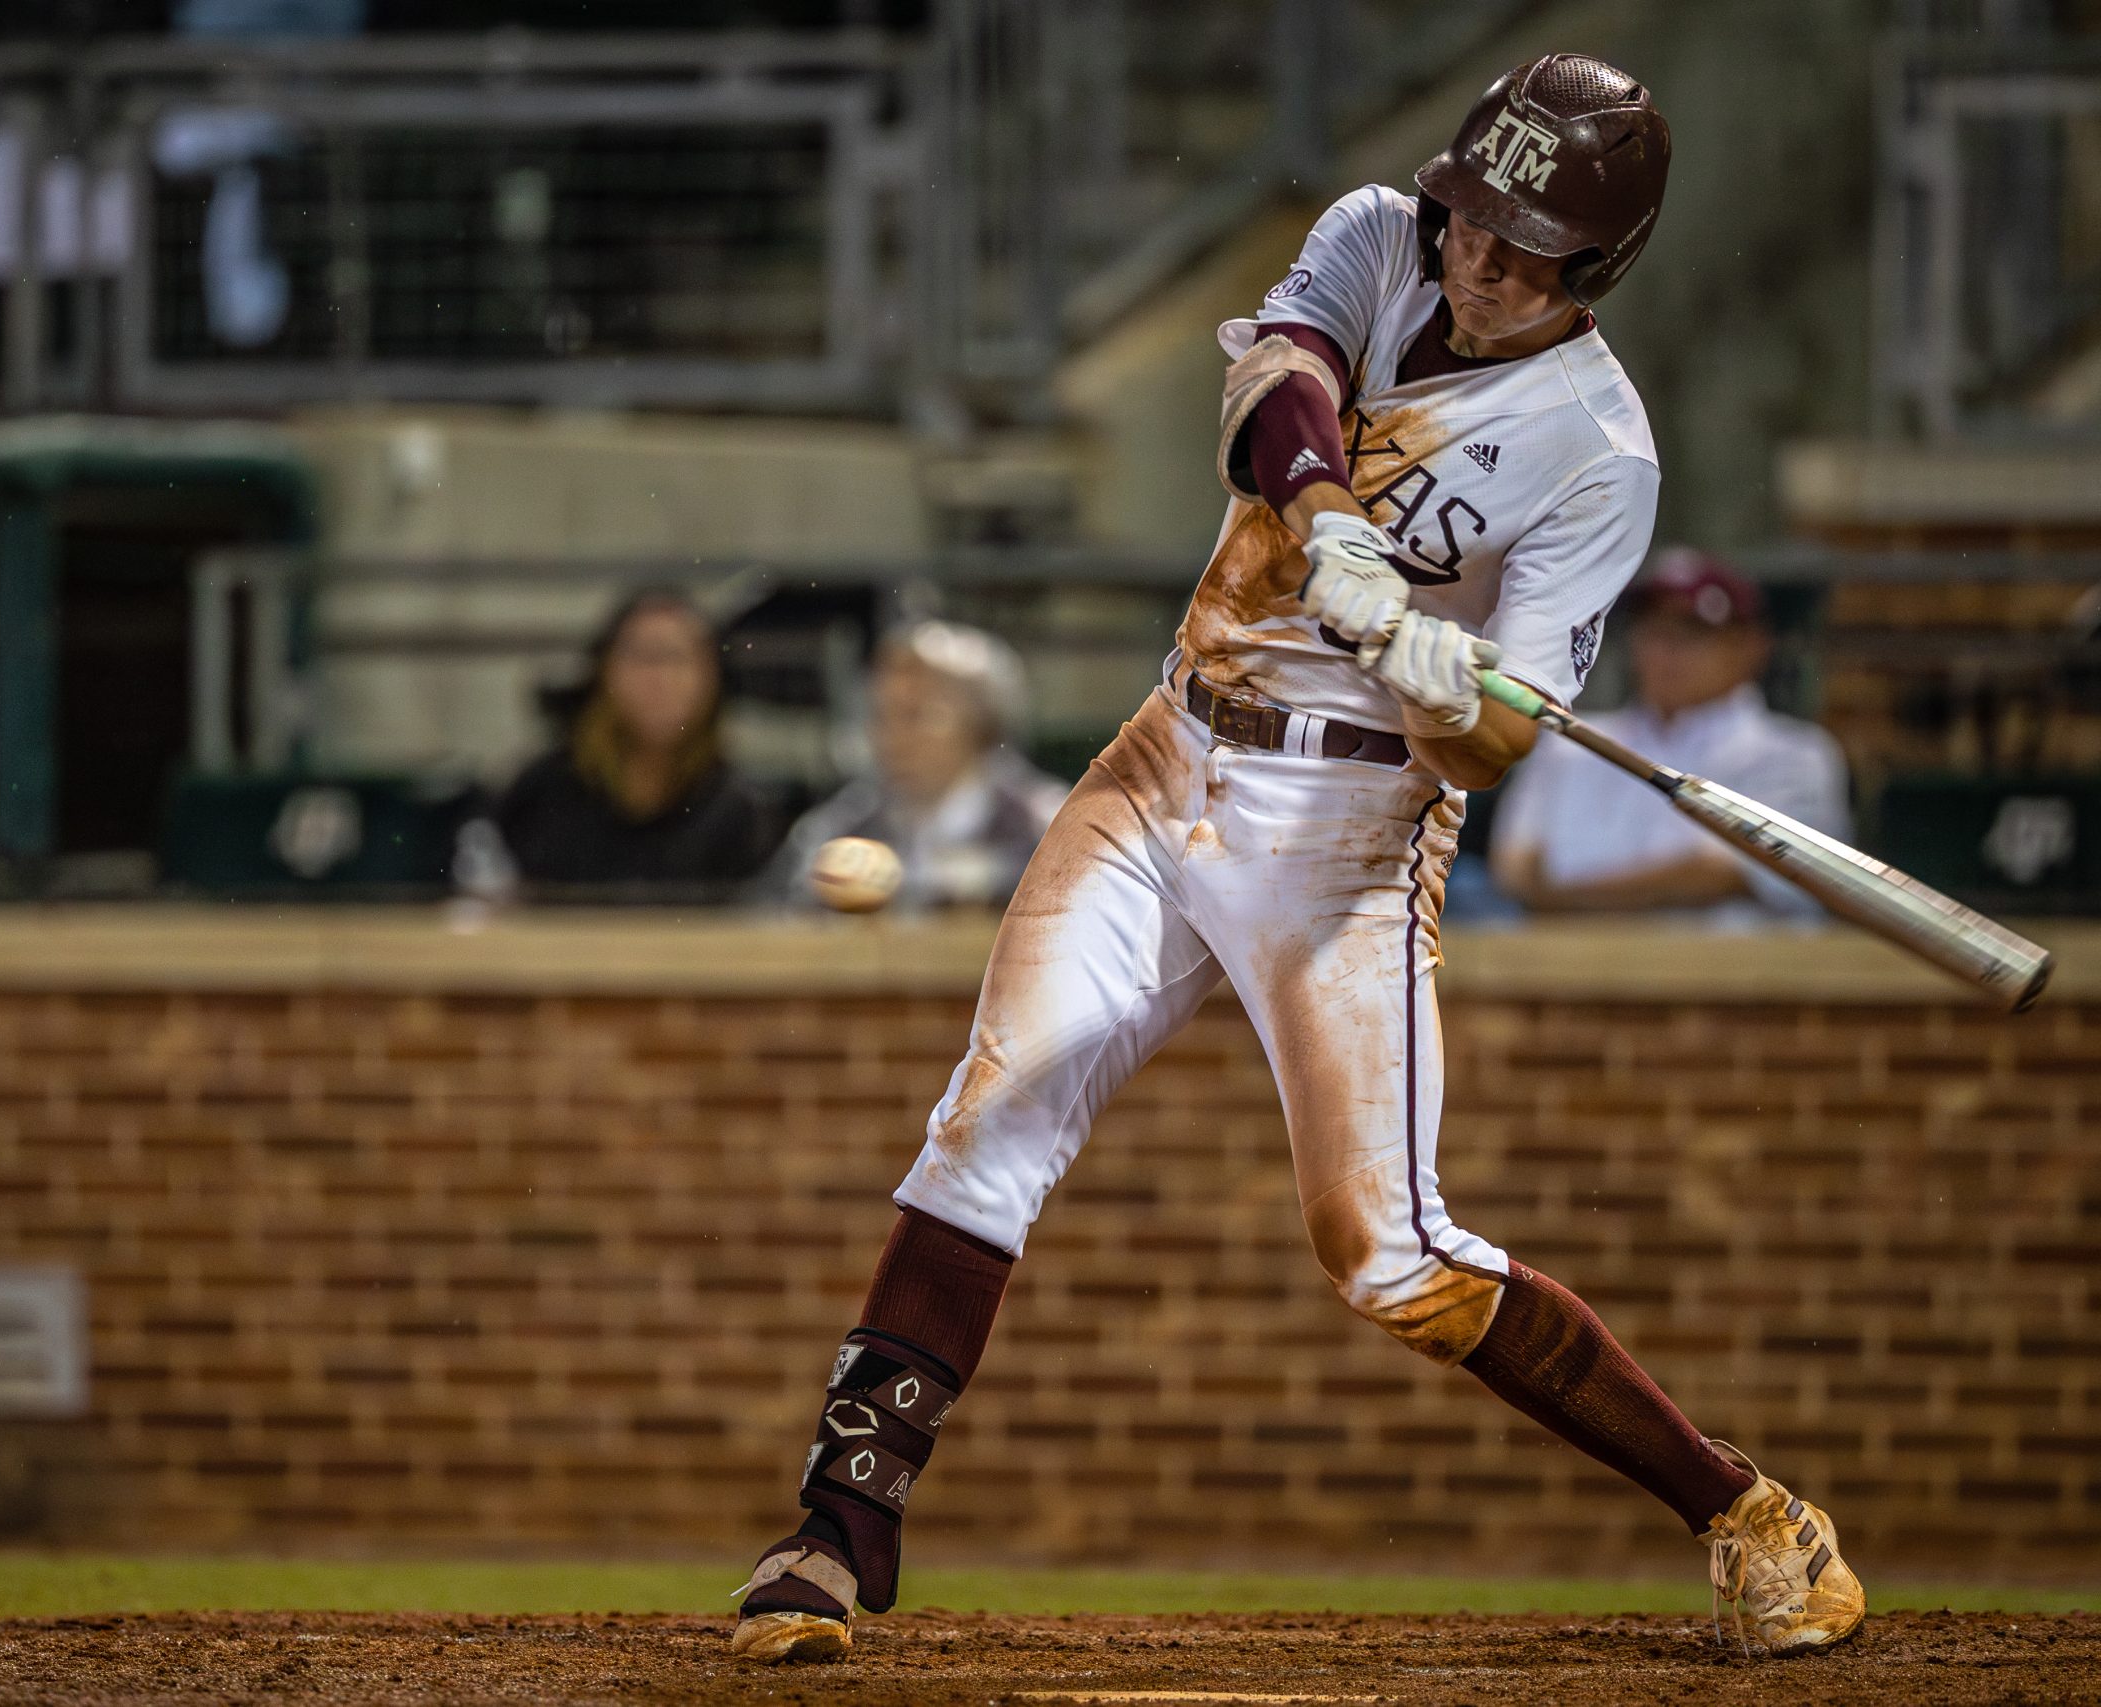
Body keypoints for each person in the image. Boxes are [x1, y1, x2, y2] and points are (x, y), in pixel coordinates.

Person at [731, 57, 1862, 1667]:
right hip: (1168, 750)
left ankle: (1746, 1509)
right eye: (1476, 217)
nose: (1480, 259)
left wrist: (1433, 670)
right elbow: (1274, 376)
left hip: (1347, 836)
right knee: (992, 1110)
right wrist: (1331, 520)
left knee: (1385, 1255)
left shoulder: (1600, 454)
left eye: (1527, 247)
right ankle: (833, 1536)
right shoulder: (1379, 232)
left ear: (1596, 269)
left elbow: (1505, 743)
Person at [1492, 550, 1852, 922]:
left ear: (1750, 646)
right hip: (1565, 973)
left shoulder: (1795, 754)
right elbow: (1513, 868)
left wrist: (1562, 901)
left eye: (1693, 632)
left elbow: (1722, 875)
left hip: (1735, 976)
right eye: (1653, 630)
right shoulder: (1570, 741)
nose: (1666, 650)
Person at [483, 590, 779, 902]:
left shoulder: (738, 814)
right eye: (643, 656)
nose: (660, 678)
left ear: (712, 677)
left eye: (678, 657)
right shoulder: (541, 794)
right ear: (604, 669)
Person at [765, 622, 1068, 911]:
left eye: (916, 715)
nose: (893, 736)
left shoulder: (1047, 829)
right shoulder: (840, 830)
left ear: (981, 725)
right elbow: (779, 925)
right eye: (882, 715)